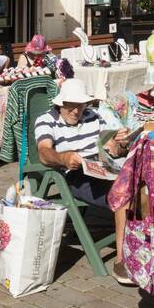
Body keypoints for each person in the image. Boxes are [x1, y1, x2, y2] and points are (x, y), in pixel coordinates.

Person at [34, 79, 132, 283]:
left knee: (139, 183)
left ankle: (143, 246)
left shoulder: (93, 116)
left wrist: (119, 145)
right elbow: (44, 153)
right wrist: (63, 158)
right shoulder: (46, 120)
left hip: (103, 167)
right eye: (70, 105)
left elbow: (112, 147)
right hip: (75, 173)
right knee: (123, 193)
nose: (76, 111)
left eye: (80, 105)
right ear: (61, 103)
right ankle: (122, 261)